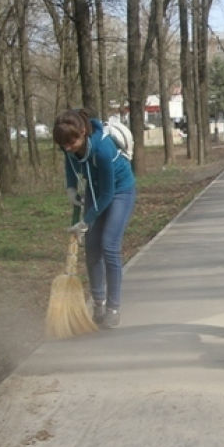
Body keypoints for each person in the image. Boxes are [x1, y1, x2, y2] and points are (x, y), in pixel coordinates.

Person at [53, 108, 137, 329]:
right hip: (95, 189)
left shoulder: (102, 148)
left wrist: (85, 221)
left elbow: (108, 193)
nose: (68, 148)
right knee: (91, 246)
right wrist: (71, 188)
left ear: (83, 132)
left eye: (71, 143)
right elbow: (71, 165)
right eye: (64, 146)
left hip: (120, 191)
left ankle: (113, 308)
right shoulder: (68, 143)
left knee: (109, 245)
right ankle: (98, 303)